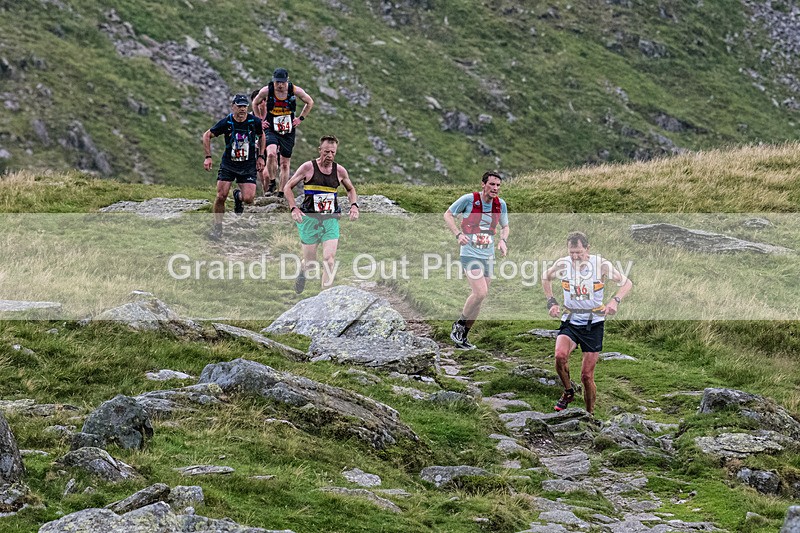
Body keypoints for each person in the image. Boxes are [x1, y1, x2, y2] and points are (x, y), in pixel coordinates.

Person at [542, 231, 633, 415]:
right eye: (572, 252)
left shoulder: (600, 265)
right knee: (560, 356)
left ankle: (589, 415)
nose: (575, 256)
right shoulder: (563, 264)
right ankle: (568, 392)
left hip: (594, 323)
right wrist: (551, 301)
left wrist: (615, 301)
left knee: (586, 376)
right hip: (571, 320)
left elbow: (627, 283)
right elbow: (546, 277)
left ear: (587, 249)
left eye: (579, 252)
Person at [284, 135, 359, 293]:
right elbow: (287, 187)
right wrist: (294, 208)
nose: (329, 155)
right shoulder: (308, 168)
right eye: (326, 152)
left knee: (329, 260)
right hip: (310, 219)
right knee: (311, 262)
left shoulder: (339, 171)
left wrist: (354, 205)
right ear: (320, 150)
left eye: (333, 152)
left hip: (330, 219)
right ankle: (303, 271)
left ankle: (325, 298)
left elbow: (350, 189)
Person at [443, 171, 509, 350]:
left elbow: (505, 226)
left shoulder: (500, 204)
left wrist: (503, 240)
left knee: (480, 298)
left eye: (498, 185)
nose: (495, 188)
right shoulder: (469, 200)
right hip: (469, 252)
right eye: (492, 184)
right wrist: (458, 234)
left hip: (488, 255)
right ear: (483, 184)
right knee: (480, 293)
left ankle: (463, 337)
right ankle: (459, 324)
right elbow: (448, 215)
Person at [202, 94, 265, 240]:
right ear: (233, 107)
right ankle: (218, 228)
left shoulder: (254, 122)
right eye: (239, 106)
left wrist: (261, 156)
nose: (242, 109)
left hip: (248, 164)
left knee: (249, 198)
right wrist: (208, 157)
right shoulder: (227, 122)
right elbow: (207, 135)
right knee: (221, 195)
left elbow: (262, 136)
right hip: (229, 164)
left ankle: (238, 196)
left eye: (244, 106)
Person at [252, 68, 314, 199]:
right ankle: (272, 182)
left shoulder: (294, 90)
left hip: (287, 129)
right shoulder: (266, 90)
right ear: (273, 81)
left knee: (285, 163)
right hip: (271, 127)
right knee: (271, 153)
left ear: (287, 81)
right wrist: (260, 121)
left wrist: (300, 118)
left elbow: (309, 102)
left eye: (282, 82)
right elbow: (255, 103)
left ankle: (281, 192)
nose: (280, 85)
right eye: (277, 82)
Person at [249, 89, 272, 196]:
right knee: (261, 174)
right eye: (257, 101)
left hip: (270, 147)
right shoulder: (249, 117)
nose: (260, 104)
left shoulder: (271, 115)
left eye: (262, 101)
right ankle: (266, 193)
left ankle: (271, 189)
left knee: (267, 174)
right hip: (256, 148)